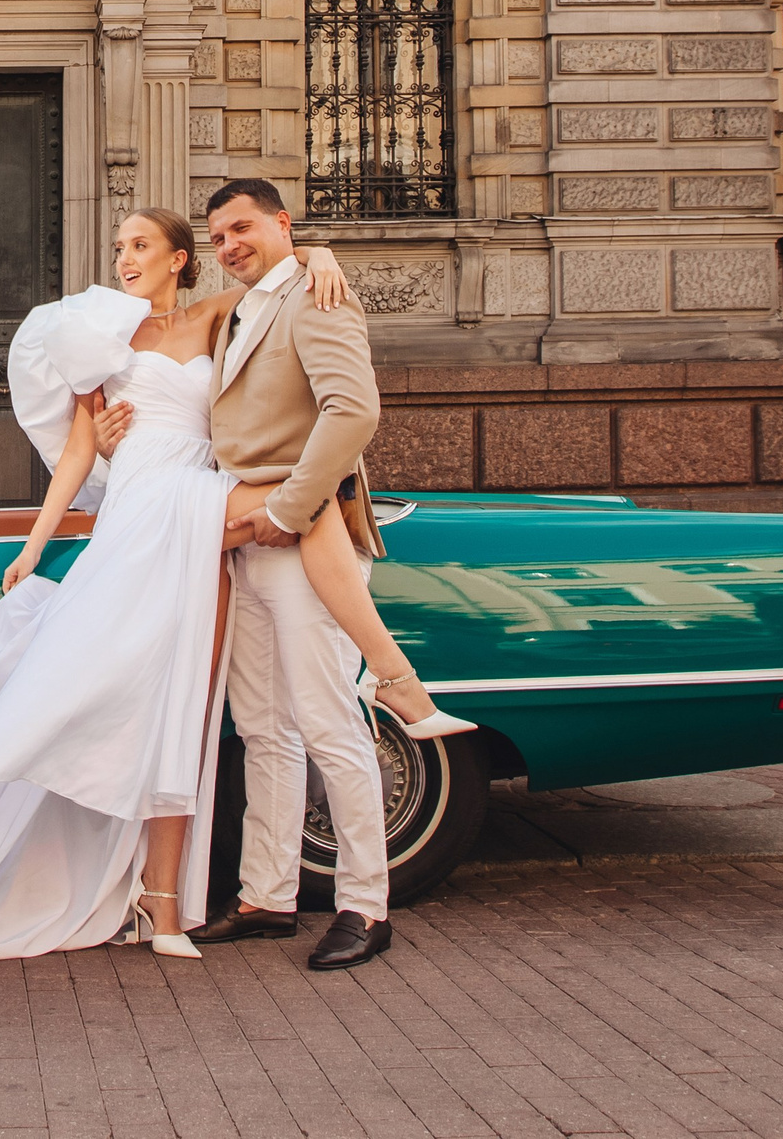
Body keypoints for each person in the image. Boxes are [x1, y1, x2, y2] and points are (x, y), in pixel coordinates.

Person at [0, 208, 357, 961]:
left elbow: (279, 284)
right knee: (80, 696)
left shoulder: (221, 314)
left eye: (140, 246)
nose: (124, 259)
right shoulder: (102, 341)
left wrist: (321, 253)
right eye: (120, 247)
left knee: (181, 709)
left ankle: (161, 908)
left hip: (197, 513)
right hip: (138, 516)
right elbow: (76, 453)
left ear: (180, 259)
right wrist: (34, 546)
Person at [109, 175, 463, 972]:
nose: (231, 245)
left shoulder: (318, 296)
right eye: (220, 236)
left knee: (331, 723)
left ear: (281, 223)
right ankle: (266, 897)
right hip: (238, 545)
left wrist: (290, 510)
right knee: (263, 729)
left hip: (299, 540)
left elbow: (353, 412)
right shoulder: (239, 309)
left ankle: (365, 906)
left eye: (244, 229)